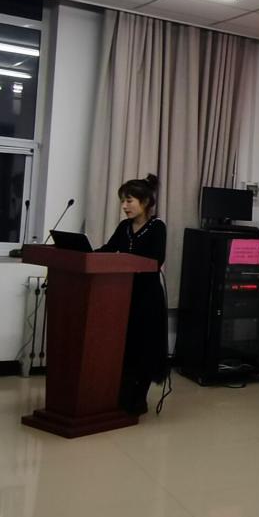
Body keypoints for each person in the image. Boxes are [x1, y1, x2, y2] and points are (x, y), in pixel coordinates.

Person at [98, 174, 168, 416]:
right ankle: (122, 394)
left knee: (144, 347)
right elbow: (108, 250)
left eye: (129, 201)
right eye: (123, 201)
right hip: (124, 295)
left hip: (147, 298)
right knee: (126, 347)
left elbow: (156, 259)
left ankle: (139, 399)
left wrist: (126, 261)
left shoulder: (157, 227)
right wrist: (84, 253)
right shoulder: (124, 227)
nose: (124, 206)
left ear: (145, 202)